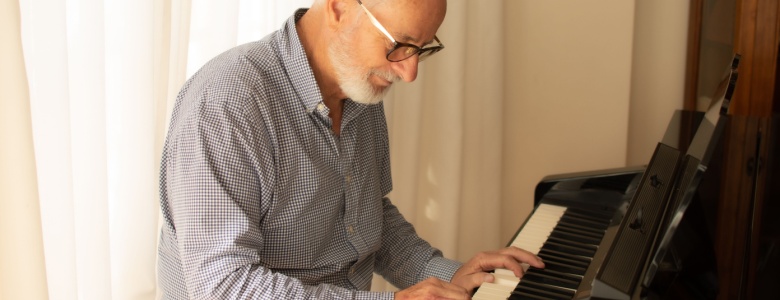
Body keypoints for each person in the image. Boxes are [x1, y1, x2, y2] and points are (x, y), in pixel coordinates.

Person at [156, 0, 544, 299]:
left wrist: (445, 274)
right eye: (399, 45)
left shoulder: (358, 88)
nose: (409, 74)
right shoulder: (226, 105)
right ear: (340, 7)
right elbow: (223, 286)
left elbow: (367, 219)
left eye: (422, 48)